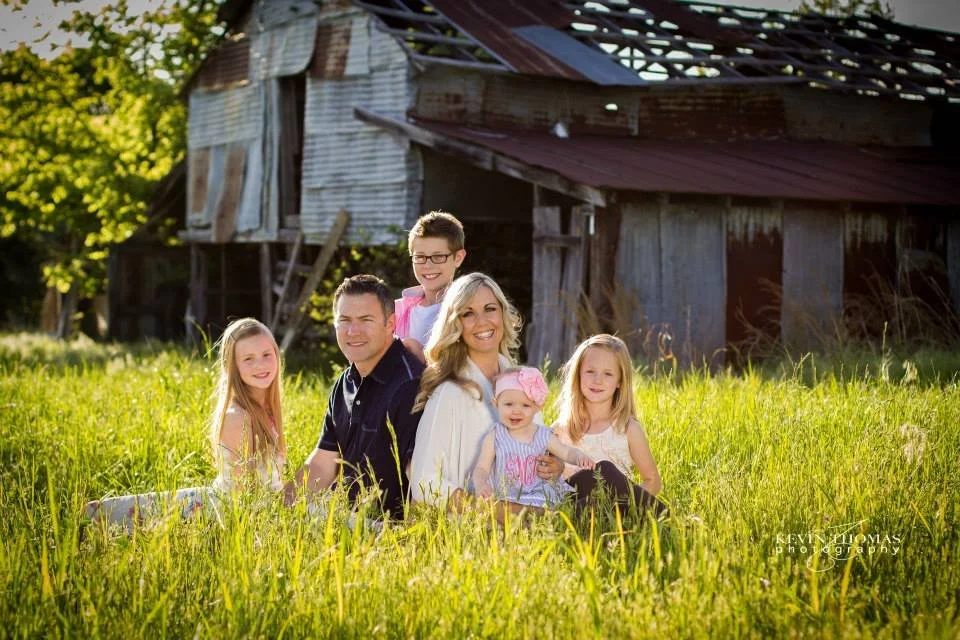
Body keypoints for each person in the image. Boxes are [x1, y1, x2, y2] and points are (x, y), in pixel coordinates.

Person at [83, 318, 286, 530]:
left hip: (260, 508)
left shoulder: (268, 409)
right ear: (233, 366)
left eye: (266, 355)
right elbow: (241, 496)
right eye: (248, 359)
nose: (260, 365)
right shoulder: (238, 417)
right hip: (224, 515)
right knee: (110, 522)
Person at [408, 272, 565, 515]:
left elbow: (533, 455)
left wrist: (553, 467)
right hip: (475, 532)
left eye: (490, 309)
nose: (482, 322)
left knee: (601, 484)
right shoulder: (450, 392)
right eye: (468, 313)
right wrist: (496, 513)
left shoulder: (524, 382)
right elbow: (423, 481)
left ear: (503, 314)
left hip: (533, 517)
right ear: (455, 324)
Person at [284, 275, 423, 519]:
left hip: (386, 530)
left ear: (390, 323)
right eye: (344, 320)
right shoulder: (345, 382)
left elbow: (422, 482)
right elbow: (322, 464)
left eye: (365, 320)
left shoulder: (410, 386)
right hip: (341, 518)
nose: (353, 331)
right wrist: (275, 510)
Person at [554, 334, 667, 518]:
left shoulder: (627, 428)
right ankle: (672, 524)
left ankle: (668, 525)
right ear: (578, 374)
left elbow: (652, 481)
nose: (597, 380)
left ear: (620, 381)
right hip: (575, 512)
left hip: (616, 514)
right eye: (590, 371)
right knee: (601, 472)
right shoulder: (560, 429)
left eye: (608, 374)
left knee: (606, 474)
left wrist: (622, 506)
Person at [472, 366, 595, 509]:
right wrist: (481, 484)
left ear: (537, 407)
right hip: (508, 498)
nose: (516, 411)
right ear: (496, 404)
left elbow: (566, 452)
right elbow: (481, 468)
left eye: (525, 405)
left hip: (538, 494)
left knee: (547, 510)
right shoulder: (495, 436)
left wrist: (579, 457)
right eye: (509, 404)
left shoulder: (542, 435)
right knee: (504, 514)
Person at [394, 211, 467, 361]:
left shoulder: (466, 310)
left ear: (458, 258)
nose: (428, 265)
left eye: (438, 256)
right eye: (420, 257)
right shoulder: (396, 312)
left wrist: (418, 353)